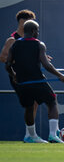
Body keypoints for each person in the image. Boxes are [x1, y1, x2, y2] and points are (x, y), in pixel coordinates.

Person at [5, 20, 64, 143]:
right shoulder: (39, 44)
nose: (38, 33)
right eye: (37, 31)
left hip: (22, 83)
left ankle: (31, 136)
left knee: (29, 107)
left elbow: (7, 65)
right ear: (34, 31)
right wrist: (60, 75)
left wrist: (14, 75)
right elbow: (46, 65)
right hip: (37, 81)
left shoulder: (15, 45)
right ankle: (52, 135)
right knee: (52, 101)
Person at [0, 9, 40, 142]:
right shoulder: (12, 39)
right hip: (17, 77)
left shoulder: (31, 39)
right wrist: (19, 61)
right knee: (31, 103)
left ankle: (29, 134)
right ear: (22, 22)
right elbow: (3, 57)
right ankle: (30, 135)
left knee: (34, 103)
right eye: (29, 22)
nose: (32, 25)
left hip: (28, 76)